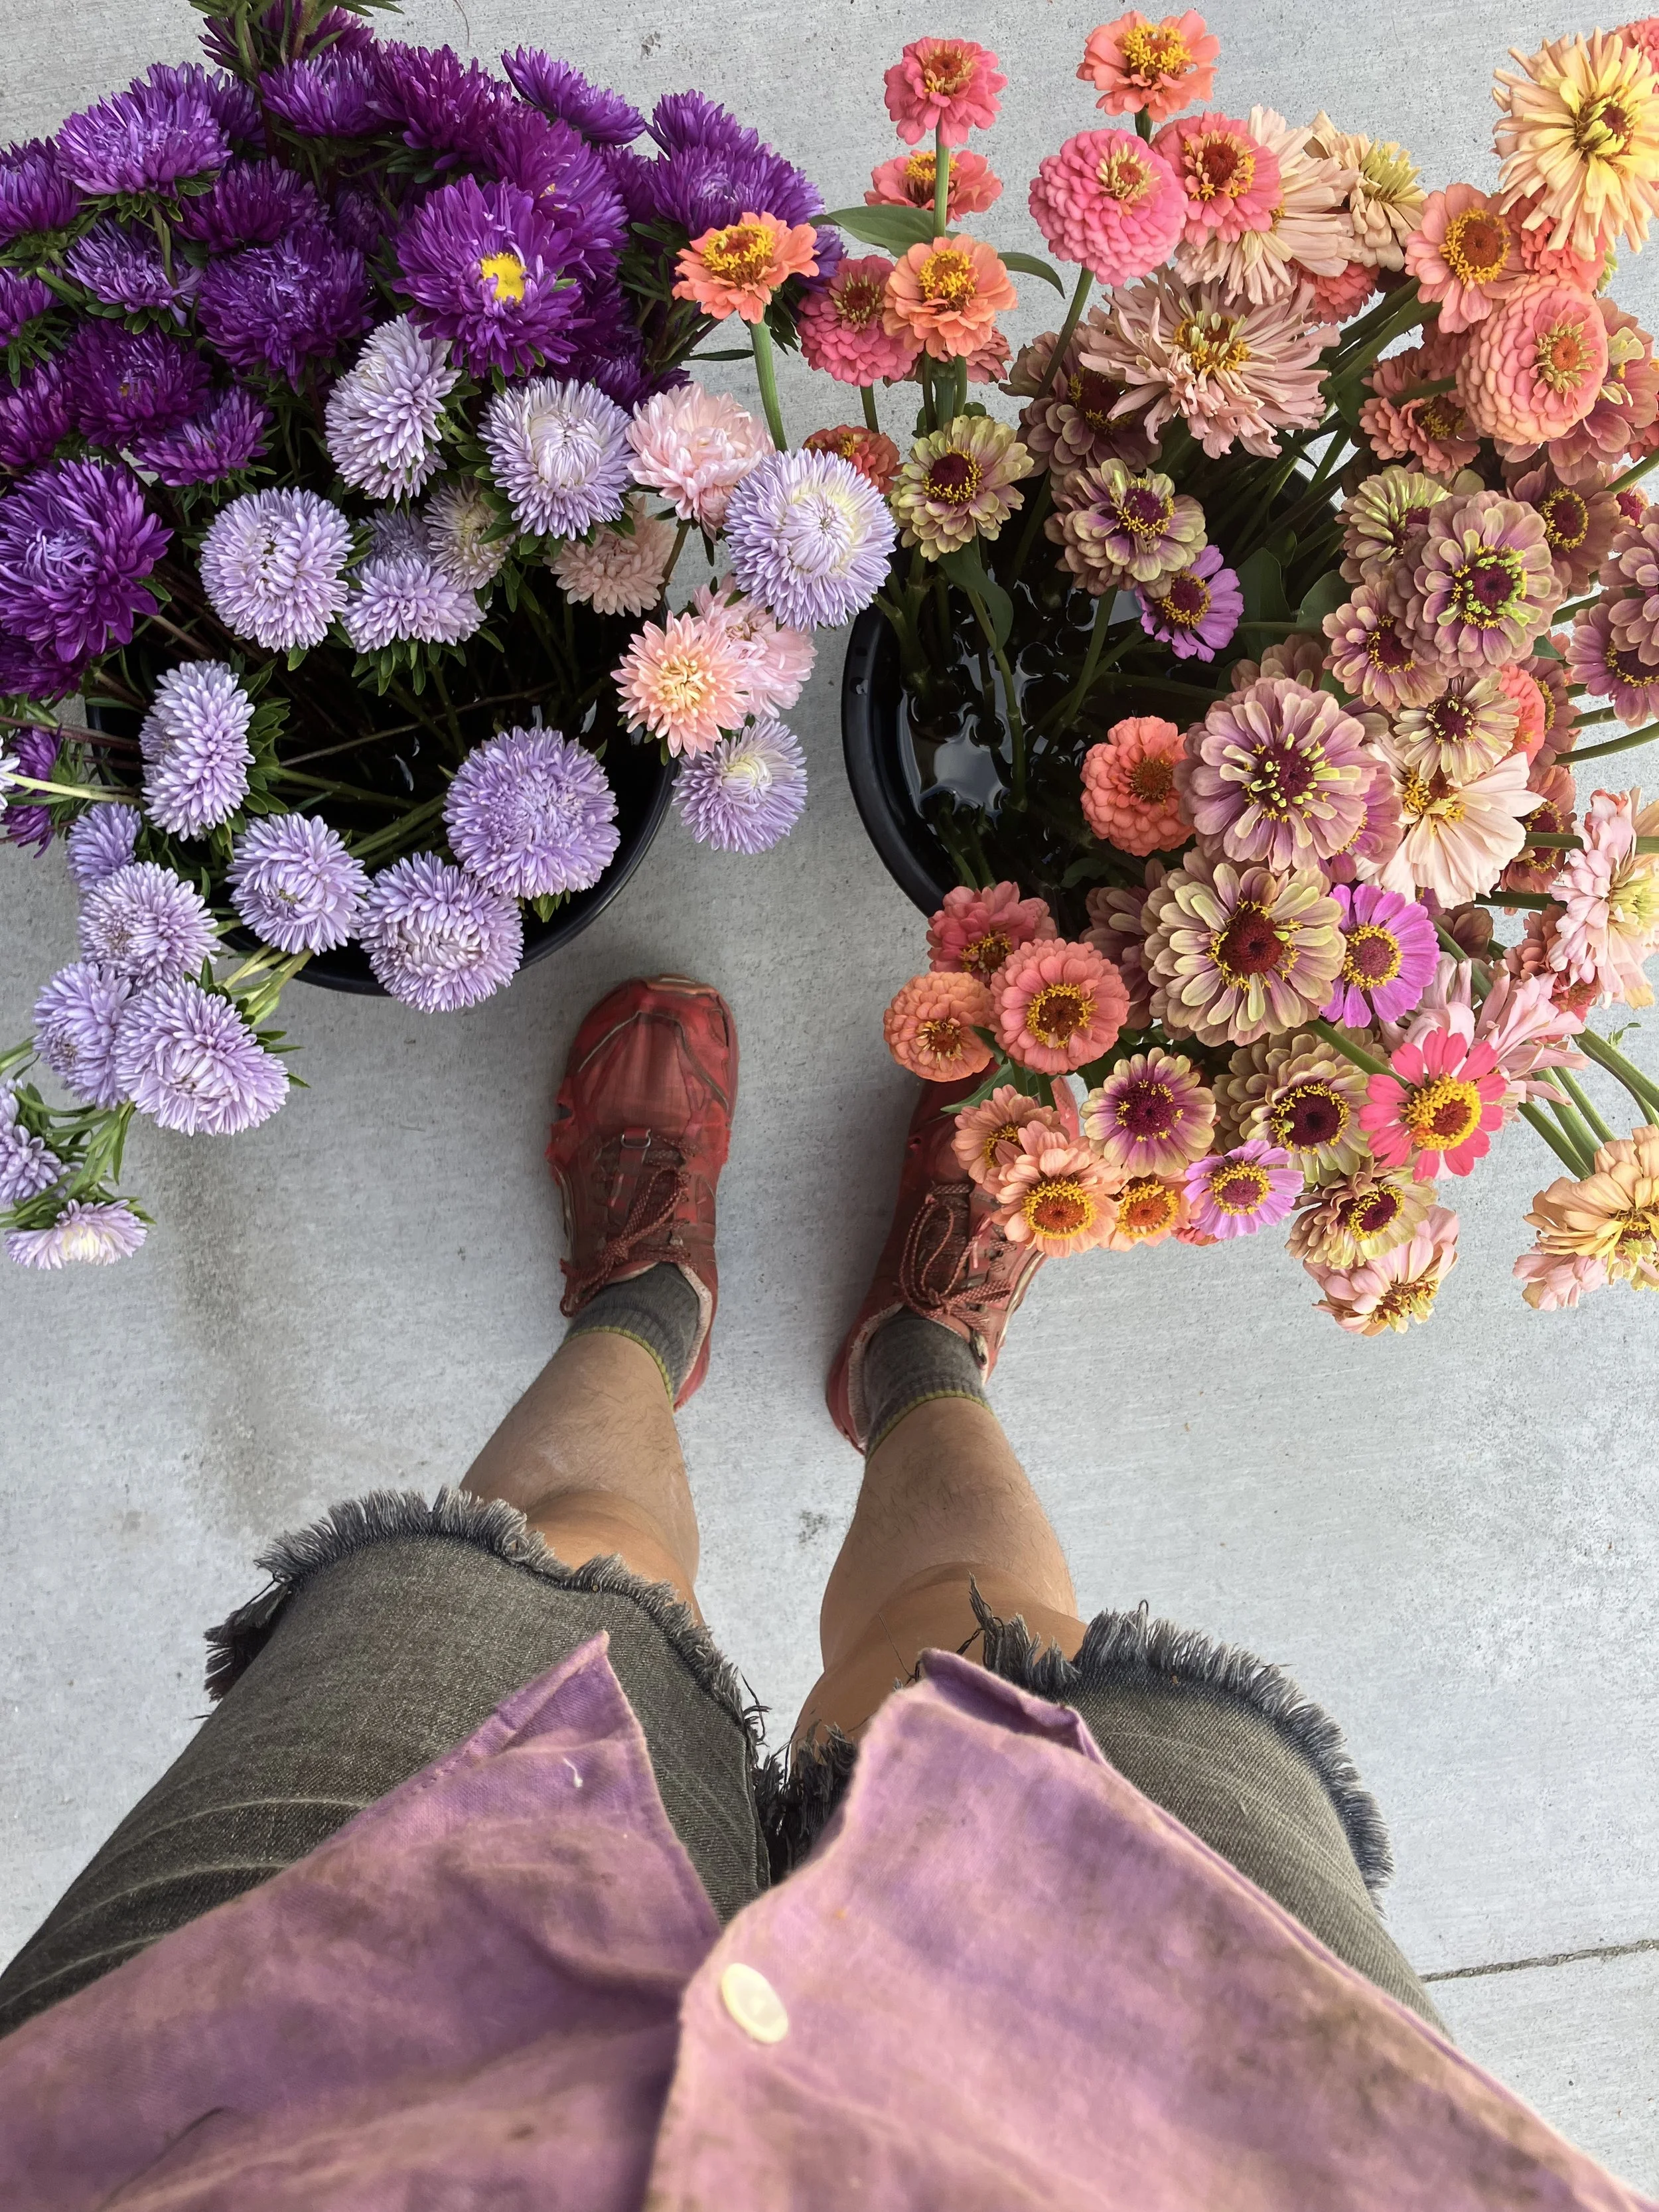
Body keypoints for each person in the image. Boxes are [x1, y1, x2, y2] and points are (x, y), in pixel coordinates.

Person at [0, 978, 1638, 2211]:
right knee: (981, 1648)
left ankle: (643, 1307)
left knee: (563, 1572)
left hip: (260, 2120)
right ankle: (916, 1356)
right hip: (1201, 2134)